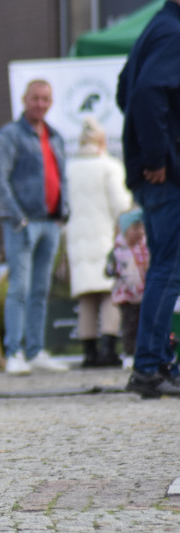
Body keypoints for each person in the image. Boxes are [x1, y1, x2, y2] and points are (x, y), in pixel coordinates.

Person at [117, 0, 180, 398]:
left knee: (164, 267)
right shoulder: (174, 32)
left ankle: (153, 363)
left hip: (154, 174)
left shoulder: (157, 27)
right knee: (169, 270)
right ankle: (149, 367)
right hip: (166, 176)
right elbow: (143, 94)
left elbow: (125, 88)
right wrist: (158, 155)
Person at [0, 79, 70, 376]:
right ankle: (14, 352)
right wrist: (18, 217)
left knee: (41, 289)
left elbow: (62, 178)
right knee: (20, 288)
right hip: (23, 224)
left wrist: (63, 212)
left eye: (46, 99)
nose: (40, 104)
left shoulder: (55, 137)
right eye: (35, 98)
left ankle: (35, 351)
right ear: (24, 99)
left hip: (51, 222)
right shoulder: (8, 136)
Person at [64, 117, 131, 369]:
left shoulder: (69, 168)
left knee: (86, 296)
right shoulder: (109, 166)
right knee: (109, 293)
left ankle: (88, 353)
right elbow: (120, 205)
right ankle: (108, 349)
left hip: (77, 238)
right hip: (105, 237)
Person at [108, 209, 150, 368]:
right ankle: (129, 353)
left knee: (146, 325)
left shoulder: (146, 248)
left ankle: (145, 353)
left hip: (144, 294)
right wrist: (112, 269)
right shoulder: (118, 250)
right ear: (126, 230)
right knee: (129, 326)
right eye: (135, 228)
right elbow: (109, 269)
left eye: (142, 228)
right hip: (126, 295)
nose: (140, 232)